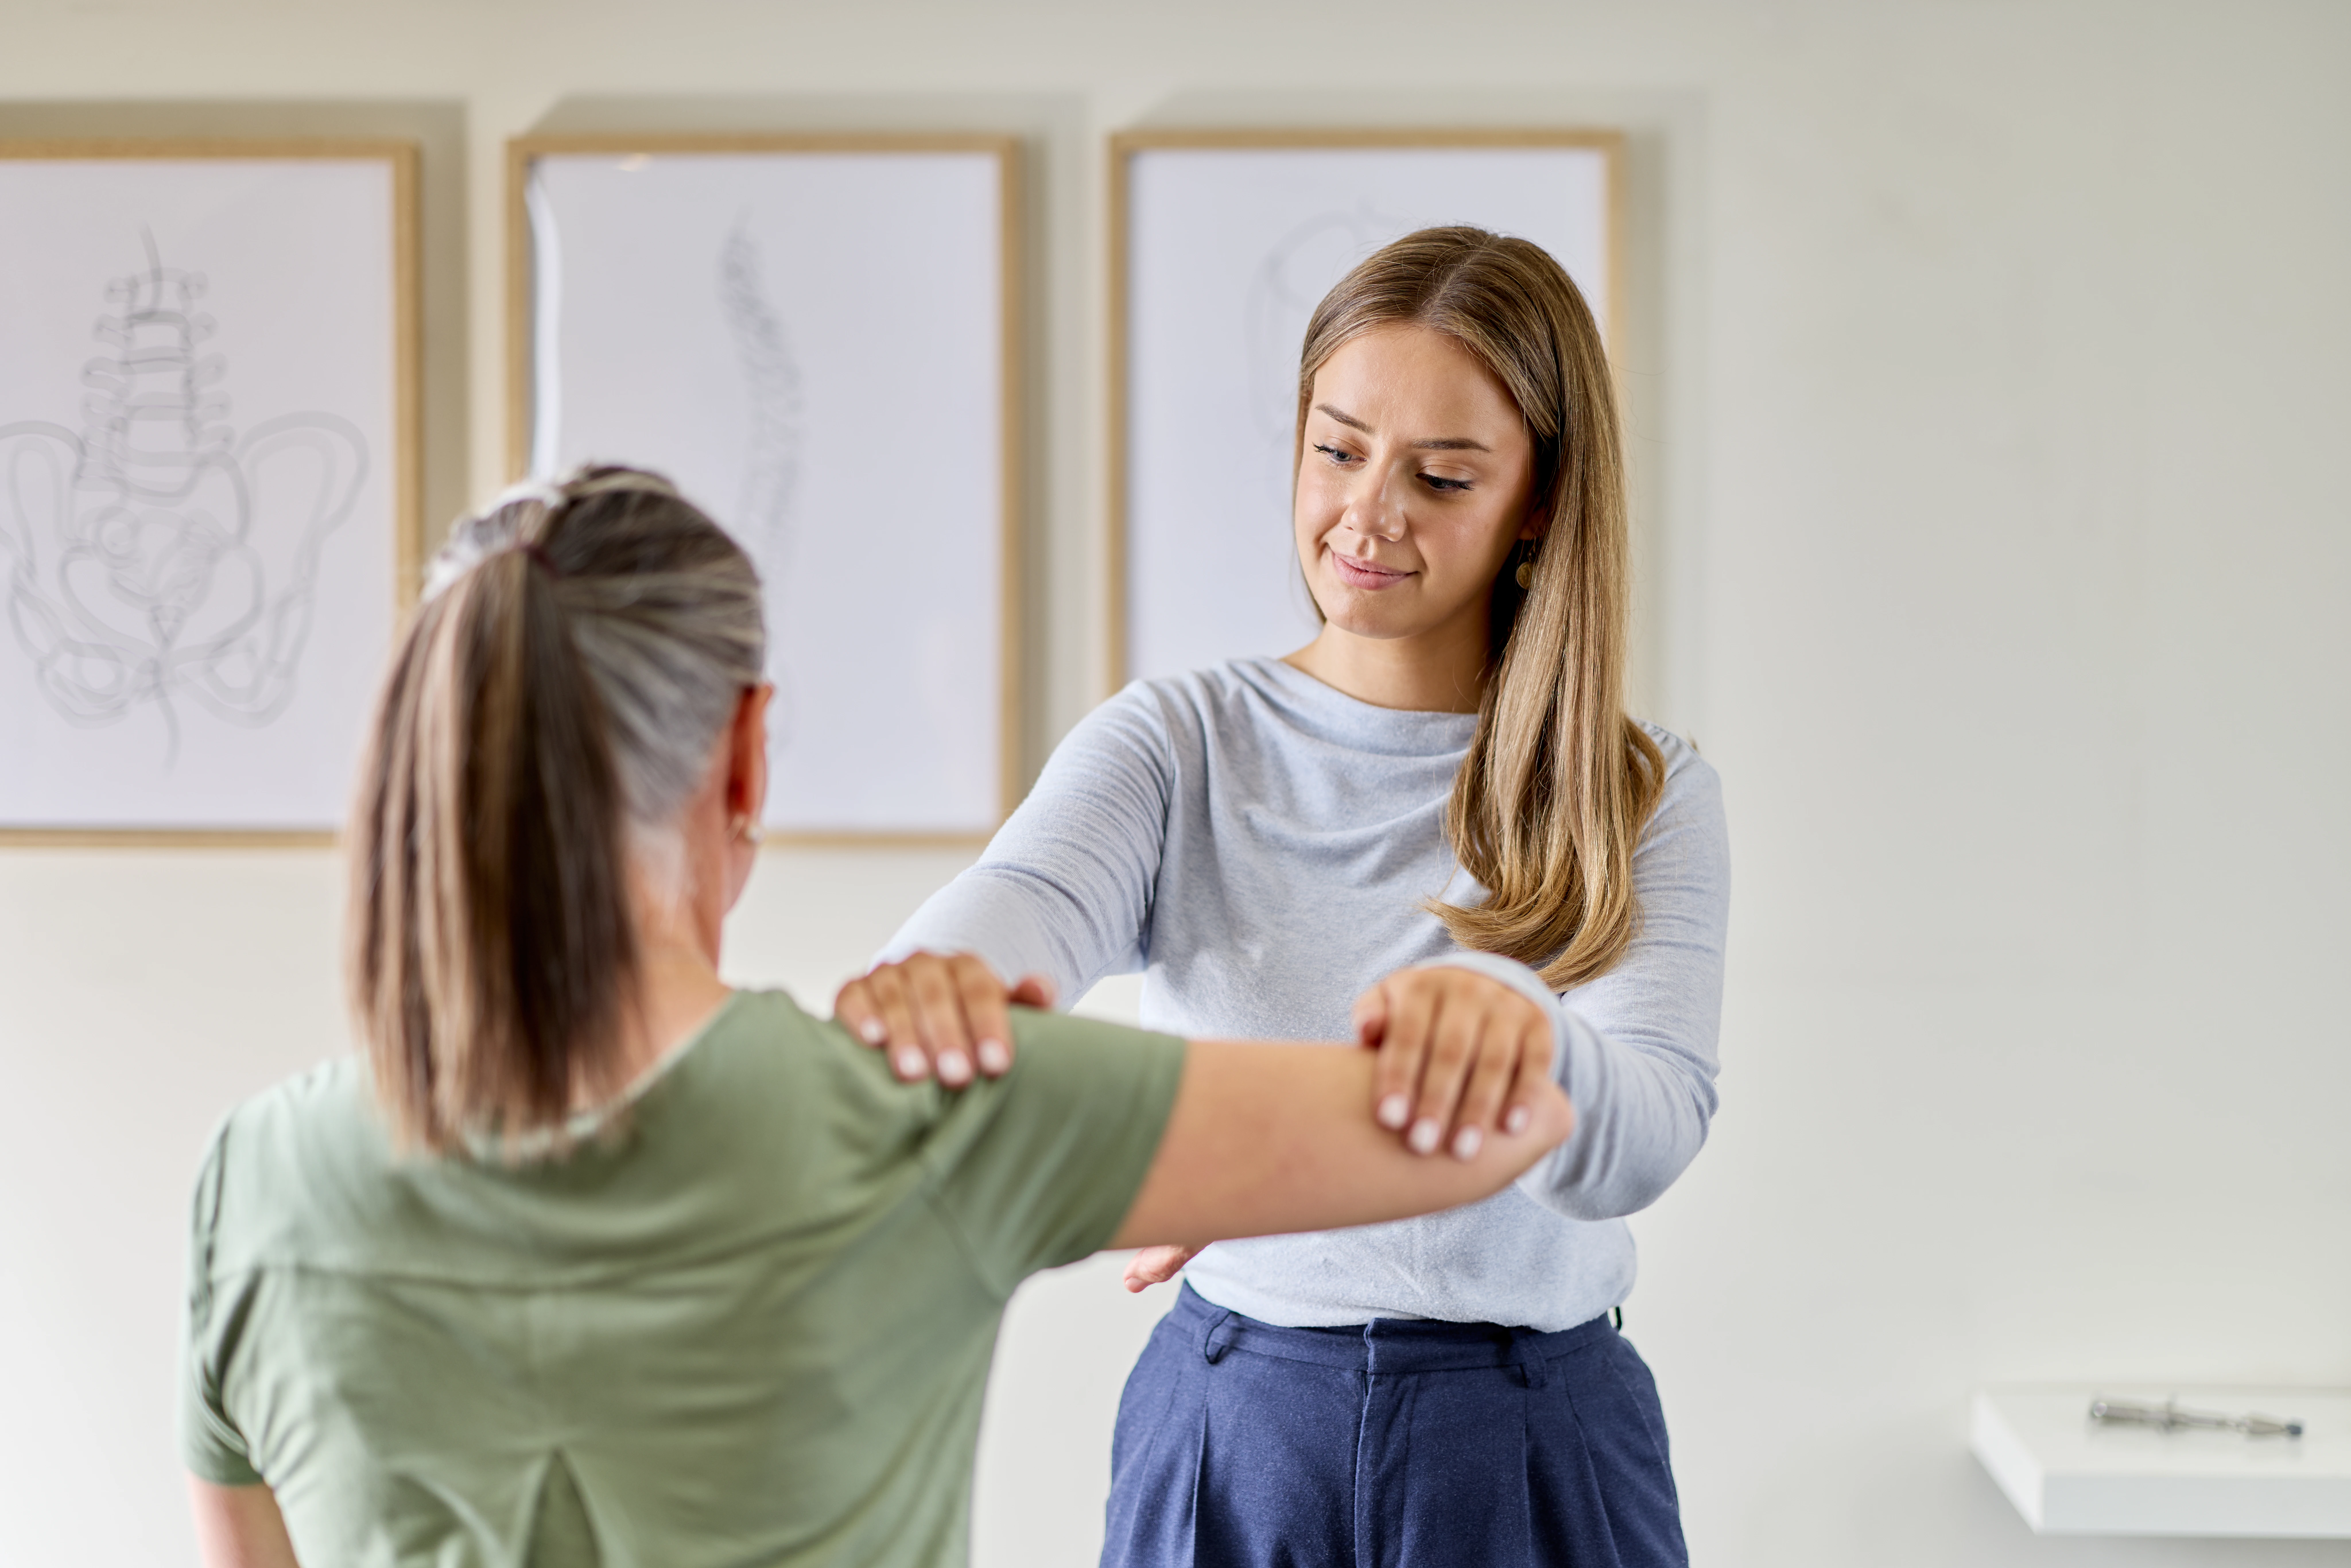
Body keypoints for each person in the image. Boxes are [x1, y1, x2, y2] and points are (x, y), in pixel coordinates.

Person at [178, 467, 1574, 1568]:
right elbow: (1506, 1124)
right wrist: (1476, 1011)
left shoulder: (254, 1180)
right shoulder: (932, 1116)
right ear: (743, 750)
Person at [839, 228, 1730, 1567]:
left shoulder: (1638, 788)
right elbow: (1021, 901)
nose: (1367, 514)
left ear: (1538, 503)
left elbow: (1648, 1131)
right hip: (1235, 1417)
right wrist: (935, 981)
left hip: (1536, 1432)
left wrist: (1520, 1039)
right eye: (1336, 447)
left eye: (1440, 475)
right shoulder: (1176, 741)